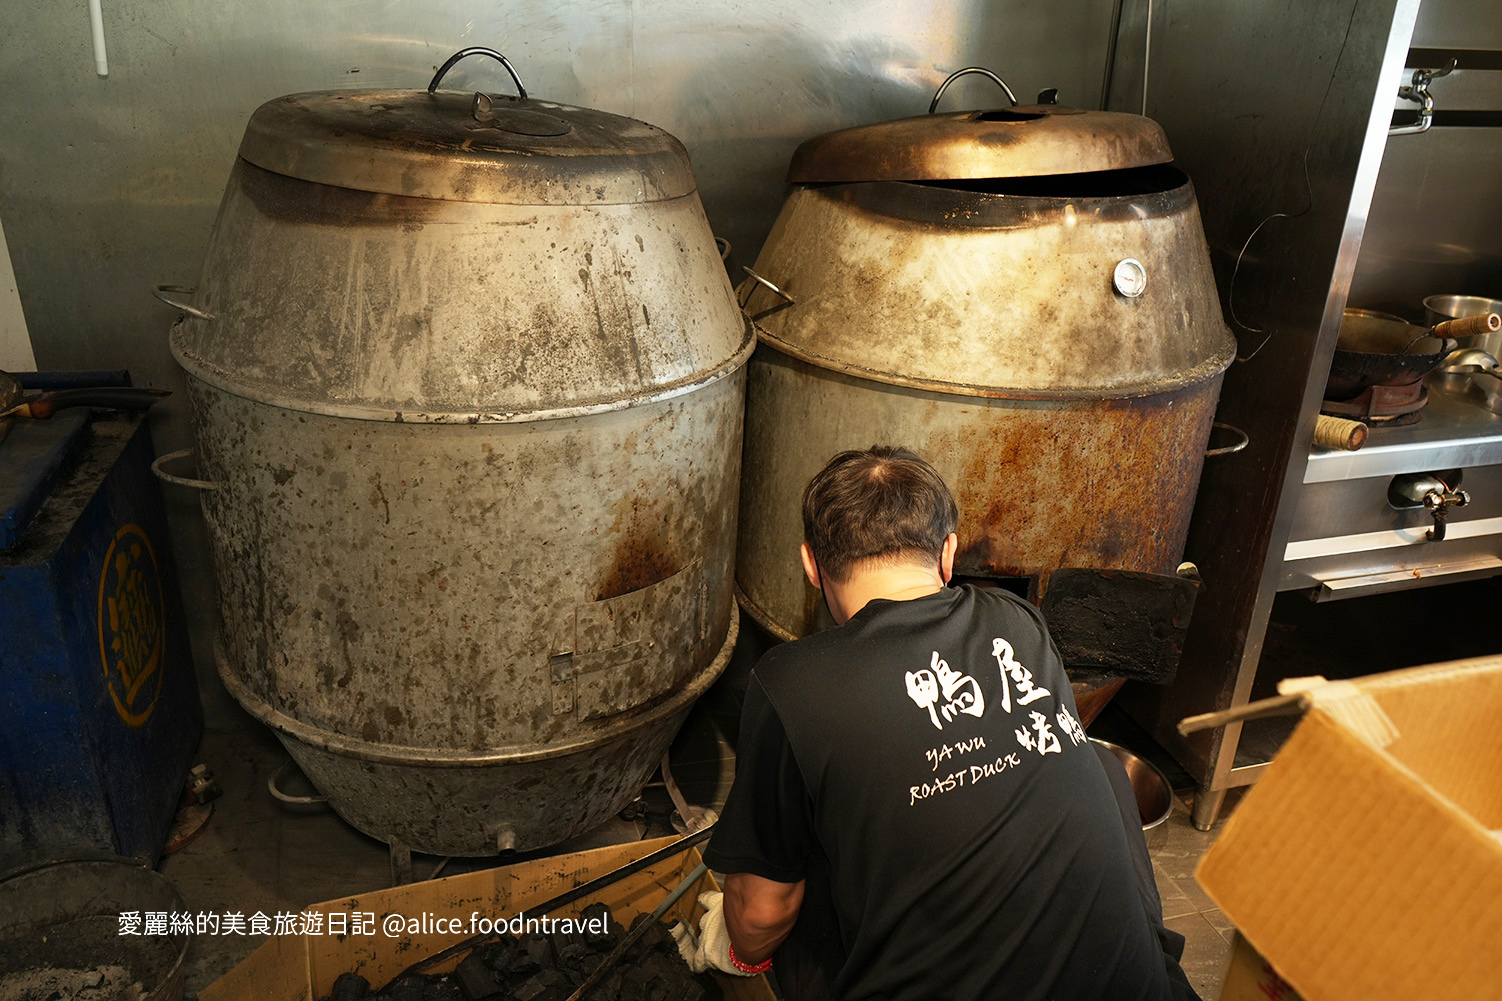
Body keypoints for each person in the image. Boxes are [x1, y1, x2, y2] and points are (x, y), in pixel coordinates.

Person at [694, 446, 1199, 1001]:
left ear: (811, 565)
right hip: (1138, 988)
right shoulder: (1018, 620)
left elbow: (764, 914)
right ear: (948, 553)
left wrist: (733, 951)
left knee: (803, 863)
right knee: (1101, 766)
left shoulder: (789, 683)